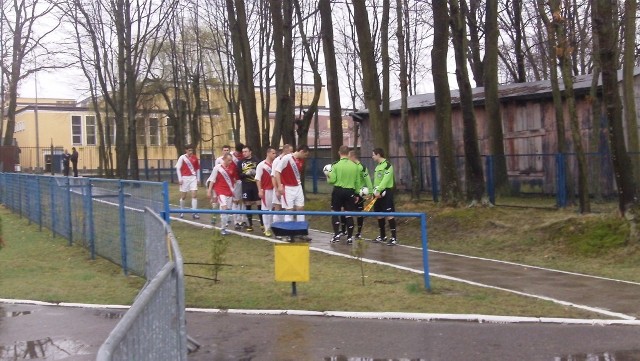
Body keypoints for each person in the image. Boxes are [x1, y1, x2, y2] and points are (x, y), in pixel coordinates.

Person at [328, 145, 360, 245]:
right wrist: (357, 194)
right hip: (350, 191)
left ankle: (336, 235)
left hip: (338, 190)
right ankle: (350, 238)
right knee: (349, 214)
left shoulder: (335, 165)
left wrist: (328, 176)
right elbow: (357, 182)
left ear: (339, 153)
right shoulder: (355, 166)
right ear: (348, 153)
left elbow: (332, 180)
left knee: (335, 212)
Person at [274, 144, 309, 223]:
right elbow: (277, 171)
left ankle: (300, 228)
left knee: (300, 208)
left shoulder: (301, 160)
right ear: (301, 151)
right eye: (305, 155)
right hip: (288, 188)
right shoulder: (287, 158)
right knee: (289, 210)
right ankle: (288, 231)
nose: (305, 157)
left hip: (298, 186)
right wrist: (279, 186)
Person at [372, 147, 397, 246]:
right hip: (377, 193)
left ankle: (394, 237)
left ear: (378, 154)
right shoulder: (378, 166)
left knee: (389, 214)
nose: (372, 156)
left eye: (373, 154)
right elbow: (376, 181)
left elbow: (385, 180)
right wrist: (374, 191)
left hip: (385, 192)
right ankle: (382, 236)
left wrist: (379, 190)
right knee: (379, 214)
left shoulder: (387, 165)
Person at [207, 153, 237, 235]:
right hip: (220, 191)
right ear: (224, 159)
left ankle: (225, 226)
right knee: (224, 208)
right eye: (228, 160)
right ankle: (223, 229)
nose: (230, 162)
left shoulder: (232, 167)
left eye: (231, 160)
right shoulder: (217, 168)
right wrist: (209, 190)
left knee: (228, 210)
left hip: (229, 191)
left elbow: (234, 179)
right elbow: (212, 180)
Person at [350, 150, 372, 239]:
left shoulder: (362, 167)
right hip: (351, 193)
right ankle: (346, 231)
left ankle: (359, 233)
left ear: (353, 156)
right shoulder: (351, 167)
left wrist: (370, 192)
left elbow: (368, 179)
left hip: (359, 194)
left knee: (359, 213)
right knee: (347, 212)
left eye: (349, 157)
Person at [238, 146, 261, 232]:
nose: (244, 153)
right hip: (246, 186)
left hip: (255, 185)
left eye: (246, 151)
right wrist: (246, 174)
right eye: (243, 152)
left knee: (259, 203)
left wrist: (255, 172)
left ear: (250, 152)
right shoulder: (240, 162)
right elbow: (239, 175)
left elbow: (260, 171)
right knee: (248, 204)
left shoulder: (256, 160)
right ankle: (250, 224)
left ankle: (262, 224)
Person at [176, 144, 201, 220]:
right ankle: (182, 211)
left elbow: (197, 169)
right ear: (186, 150)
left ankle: (194, 212)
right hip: (185, 178)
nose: (191, 152)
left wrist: (198, 178)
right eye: (189, 150)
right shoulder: (182, 158)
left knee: (194, 195)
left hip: (193, 177)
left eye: (191, 150)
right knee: (183, 196)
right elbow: (178, 168)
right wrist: (180, 178)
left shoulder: (195, 158)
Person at [256, 148, 277, 237]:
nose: (275, 155)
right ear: (268, 153)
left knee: (275, 209)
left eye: (275, 153)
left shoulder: (276, 164)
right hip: (266, 190)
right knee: (266, 209)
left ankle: (275, 227)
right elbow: (258, 179)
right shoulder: (261, 165)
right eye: (273, 153)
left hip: (275, 190)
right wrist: (260, 190)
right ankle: (267, 228)